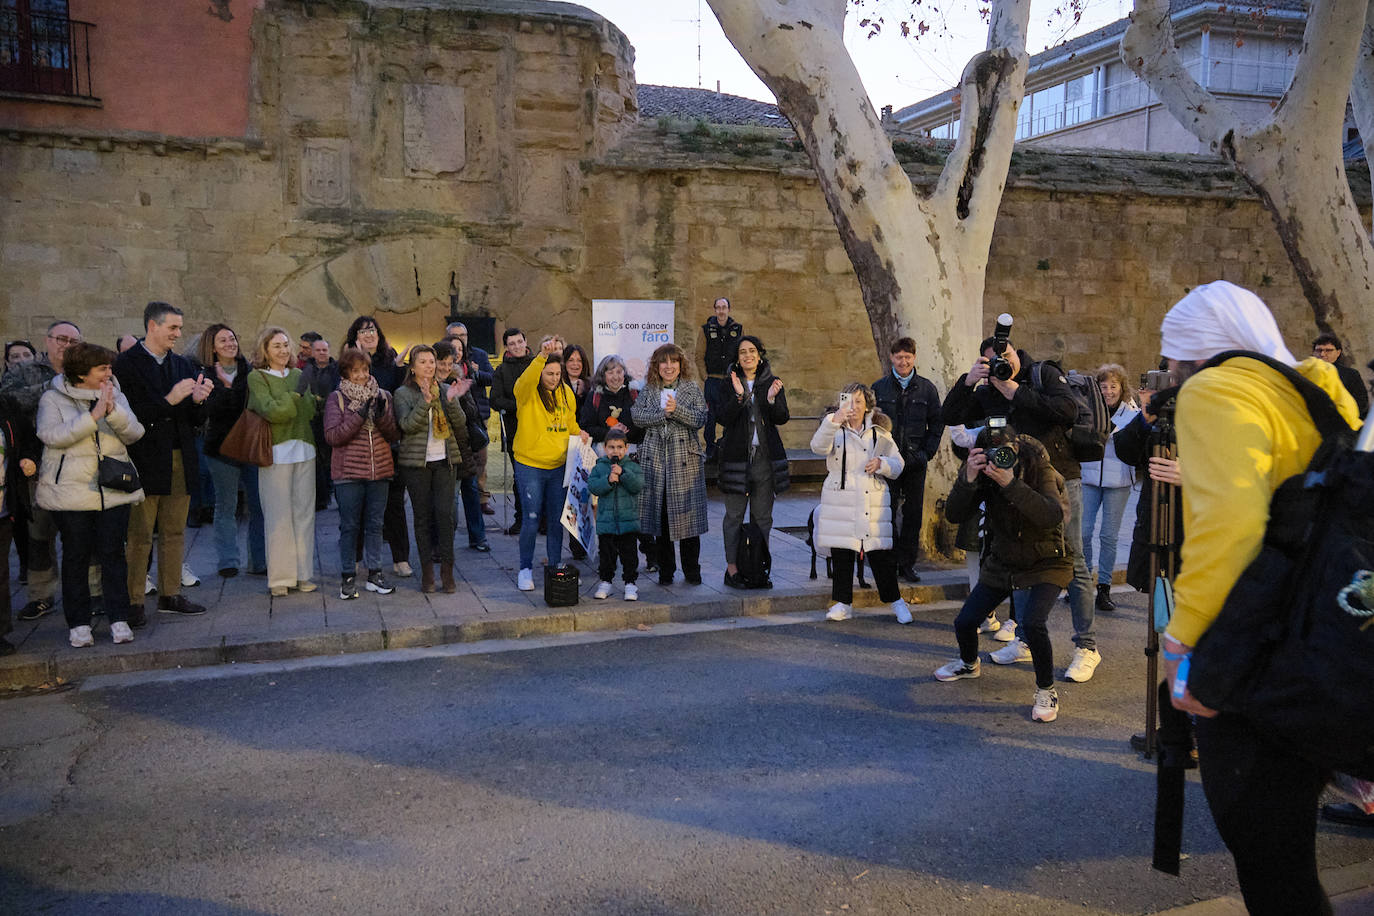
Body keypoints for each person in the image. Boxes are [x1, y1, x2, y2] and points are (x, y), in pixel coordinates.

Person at [1158, 280, 1361, 915]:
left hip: (1255, 654)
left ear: (1198, 353)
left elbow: (1230, 529)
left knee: (1274, 867)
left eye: (1171, 358)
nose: (1167, 374)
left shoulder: (1215, 391)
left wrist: (1180, 636)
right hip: (1327, 640)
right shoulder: (1320, 393)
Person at [942, 331, 1100, 683]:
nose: (1002, 363)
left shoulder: (1042, 374)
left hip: (1059, 478)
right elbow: (949, 414)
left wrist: (1017, 391)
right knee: (1021, 558)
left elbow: (1067, 410)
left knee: (1071, 558)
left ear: (1015, 352)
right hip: (1011, 483)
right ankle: (1026, 639)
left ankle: (1086, 647)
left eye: (1005, 354)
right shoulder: (985, 391)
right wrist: (967, 382)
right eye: (992, 360)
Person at [935, 418, 1070, 723]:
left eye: (1005, 450)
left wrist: (1011, 483)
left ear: (1017, 447)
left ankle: (1046, 689)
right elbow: (955, 514)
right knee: (965, 621)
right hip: (1005, 558)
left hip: (1046, 557)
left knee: (1033, 623)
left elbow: (1050, 515)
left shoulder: (1039, 467)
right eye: (991, 451)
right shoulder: (983, 473)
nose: (999, 458)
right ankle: (969, 665)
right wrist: (968, 477)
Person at [35, 342, 145, 648]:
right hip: (70, 493)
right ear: (82, 373)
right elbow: (51, 436)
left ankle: (119, 618)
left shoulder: (116, 393)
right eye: (102, 369)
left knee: (113, 555)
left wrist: (113, 412)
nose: (109, 373)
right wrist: (92, 416)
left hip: (114, 489)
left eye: (109, 367)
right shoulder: (52, 398)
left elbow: (135, 433)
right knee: (76, 557)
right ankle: (79, 624)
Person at [113, 303, 211, 624]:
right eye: (173, 328)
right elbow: (130, 415)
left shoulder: (181, 364)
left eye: (180, 328)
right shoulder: (126, 365)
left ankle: (171, 594)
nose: (178, 334)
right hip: (143, 458)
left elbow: (194, 420)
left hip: (180, 456)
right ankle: (134, 601)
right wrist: (169, 399)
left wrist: (197, 401)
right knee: (140, 534)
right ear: (152, 326)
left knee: (174, 530)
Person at [2, 320, 82, 622]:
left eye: (73, 341)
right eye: (61, 339)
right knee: (39, 536)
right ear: (47, 341)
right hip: (38, 466)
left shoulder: (86, 369)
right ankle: (40, 596)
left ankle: (93, 590)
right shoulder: (25, 372)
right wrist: (52, 387)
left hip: (79, 466)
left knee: (82, 534)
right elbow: (10, 401)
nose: (66, 345)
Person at [810, 384, 909, 623]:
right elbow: (817, 447)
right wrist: (833, 421)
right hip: (841, 500)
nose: (853, 407)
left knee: (880, 554)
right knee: (842, 552)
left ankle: (896, 601)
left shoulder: (879, 432)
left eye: (858, 401)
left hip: (872, 499)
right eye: (849, 401)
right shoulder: (833, 428)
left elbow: (898, 465)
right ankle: (843, 602)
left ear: (868, 405)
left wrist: (882, 464)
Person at [393, 344, 474, 594]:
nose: (429, 366)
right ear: (413, 367)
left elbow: (460, 425)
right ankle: (427, 572)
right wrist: (425, 403)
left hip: (444, 461)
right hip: (417, 464)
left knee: (445, 516)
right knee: (422, 518)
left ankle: (447, 572)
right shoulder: (403, 393)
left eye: (432, 361)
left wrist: (450, 401)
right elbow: (406, 426)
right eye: (424, 362)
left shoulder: (446, 388)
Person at [323, 347, 400, 600]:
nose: (361, 375)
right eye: (356, 371)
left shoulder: (384, 396)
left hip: (379, 470)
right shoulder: (337, 398)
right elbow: (333, 436)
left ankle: (375, 574)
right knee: (350, 526)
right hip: (348, 474)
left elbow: (393, 435)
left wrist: (379, 416)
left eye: (365, 370)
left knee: (375, 525)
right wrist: (358, 415)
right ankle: (348, 576)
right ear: (346, 372)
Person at [510, 340, 587, 592]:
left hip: (558, 467)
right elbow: (524, 381)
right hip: (529, 464)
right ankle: (525, 569)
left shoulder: (566, 392)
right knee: (531, 519)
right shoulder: (527, 391)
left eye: (557, 373)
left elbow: (570, 424)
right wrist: (541, 357)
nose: (554, 378)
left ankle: (556, 567)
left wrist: (581, 434)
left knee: (556, 521)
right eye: (549, 373)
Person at [247, 326, 317, 597]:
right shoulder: (257, 377)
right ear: (265, 349)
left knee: (304, 516)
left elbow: (308, 411)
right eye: (276, 345)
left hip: (305, 449)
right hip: (275, 453)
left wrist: (308, 395)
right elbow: (273, 411)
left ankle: (303, 574)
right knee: (278, 516)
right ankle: (280, 578)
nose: (283, 350)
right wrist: (295, 397)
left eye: (286, 345)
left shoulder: (299, 374)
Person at [715, 335, 789, 588]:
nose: (747, 355)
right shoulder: (727, 384)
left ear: (760, 355)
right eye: (742, 352)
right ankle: (732, 569)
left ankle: (758, 566)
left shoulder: (773, 382)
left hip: (764, 461)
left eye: (752, 351)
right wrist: (739, 397)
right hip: (737, 460)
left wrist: (769, 399)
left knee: (762, 517)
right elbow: (722, 418)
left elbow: (782, 417)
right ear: (737, 358)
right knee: (733, 516)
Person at [633, 342, 709, 586]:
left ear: (680, 365)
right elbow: (637, 416)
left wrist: (676, 411)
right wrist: (661, 414)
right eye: (664, 362)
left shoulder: (691, 388)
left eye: (673, 362)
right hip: (655, 462)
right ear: (657, 366)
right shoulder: (649, 389)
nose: (669, 366)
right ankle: (666, 570)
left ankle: (692, 570)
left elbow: (700, 419)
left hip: (685, 461)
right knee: (662, 520)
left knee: (689, 519)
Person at [196, 324, 266, 578]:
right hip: (221, 448)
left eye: (232, 338)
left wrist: (228, 389)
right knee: (226, 504)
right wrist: (227, 389)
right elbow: (212, 410)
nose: (230, 343)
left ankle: (259, 560)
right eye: (223, 340)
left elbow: (251, 404)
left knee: (258, 505)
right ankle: (228, 560)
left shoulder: (250, 371)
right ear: (212, 347)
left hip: (251, 444)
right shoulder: (204, 374)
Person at [872, 337, 944, 582]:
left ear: (914, 358)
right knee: (886, 512)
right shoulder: (879, 388)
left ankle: (907, 563)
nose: (903, 361)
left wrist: (926, 453)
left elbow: (936, 423)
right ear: (892, 358)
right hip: (887, 461)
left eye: (907, 357)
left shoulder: (926, 388)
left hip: (915, 461)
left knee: (913, 515)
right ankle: (889, 562)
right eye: (899, 357)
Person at [344, 316, 410, 576]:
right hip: (357, 443)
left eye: (372, 329)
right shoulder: (347, 363)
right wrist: (359, 359)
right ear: (355, 335)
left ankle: (400, 558)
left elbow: (395, 396)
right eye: (363, 330)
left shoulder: (390, 361)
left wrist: (399, 368)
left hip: (386, 441)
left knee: (394, 503)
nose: (369, 334)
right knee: (358, 505)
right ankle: (357, 557)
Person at [1079, 364, 1138, 612]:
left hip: (1119, 481)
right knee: (1083, 532)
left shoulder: (1131, 413)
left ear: (1121, 388)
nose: (1108, 391)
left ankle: (1104, 589)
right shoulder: (1088, 409)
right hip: (1090, 477)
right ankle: (1081, 587)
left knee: (1109, 536)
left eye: (1113, 386)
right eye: (1103, 386)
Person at [438, 338, 490, 553]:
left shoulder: (459, 381)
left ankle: (478, 537)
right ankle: (445, 542)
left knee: (470, 490)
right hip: (442, 450)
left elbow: (472, 414)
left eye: (449, 363)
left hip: (464, 446)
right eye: (441, 363)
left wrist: (459, 396)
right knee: (449, 501)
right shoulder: (428, 386)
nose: (445, 367)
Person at [488, 327, 535, 535]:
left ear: (526, 342)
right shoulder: (501, 371)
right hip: (515, 432)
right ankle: (521, 518)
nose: (516, 346)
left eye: (519, 342)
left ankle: (541, 519)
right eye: (512, 343)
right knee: (520, 478)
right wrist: (520, 405)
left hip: (540, 431)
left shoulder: (537, 365)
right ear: (506, 347)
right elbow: (495, 400)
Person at [587, 428, 643, 600]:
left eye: (619, 447)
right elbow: (593, 486)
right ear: (605, 448)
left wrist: (623, 474)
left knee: (629, 555)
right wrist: (608, 480)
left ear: (626, 448)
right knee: (606, 555)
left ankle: (630, 583)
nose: (615, 451)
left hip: (628, 522)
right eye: (611, 447)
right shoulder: (599, 467)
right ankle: (606, 581)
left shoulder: (632, 466)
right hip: (606, 522)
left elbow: (638, 485)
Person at [446, 321, 496, 516]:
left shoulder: (479, 355)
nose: (460, 339)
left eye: (463, 336)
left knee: (480, 459)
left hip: (477, 415)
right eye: (456, 335)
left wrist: (476, 372)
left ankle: (482, 498)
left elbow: (491, 378)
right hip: (452, 417)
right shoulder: (443, 356)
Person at [0, 410, 36, 655]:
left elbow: (28, 441)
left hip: (3, 508)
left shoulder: (8, 411)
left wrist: (28, 459)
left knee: (1, 573)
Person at [299, 337, 340, 512]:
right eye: (318, 350)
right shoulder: (306, 370)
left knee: (334, 459)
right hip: (313, 419)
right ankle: (320, 498)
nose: (322, 353)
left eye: (325, 350)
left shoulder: (336, 370)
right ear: (313, 352)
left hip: (332, 418)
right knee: (316, 460)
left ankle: (338, 496)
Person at [700, 296, 742, 461]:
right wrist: (705, 376)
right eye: (718, 307)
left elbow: (741, 353)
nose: (721, 311)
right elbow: (698, 356)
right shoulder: (705, 329)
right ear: (715, 310)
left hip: (730, 382)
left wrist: (737, 377)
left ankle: (726, 446)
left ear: (729, 309)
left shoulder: (737, 329)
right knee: (710, 417)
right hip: (712, 380)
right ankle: (710, 449)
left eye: (724, 307)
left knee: (730, 415)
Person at [1311, 332, 1368, 417]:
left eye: (1328, 350)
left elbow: (1361, 403)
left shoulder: (1351, 375)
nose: (1322, 354)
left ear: (1338, 352)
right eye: (1319, 350)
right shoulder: (1306, 373)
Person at [562, 343, 592, 415]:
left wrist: (583, 394)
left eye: (579, 360)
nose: (575, 364)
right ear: (564, 363)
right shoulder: (558, 384)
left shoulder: (591, 386)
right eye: (571, 360)